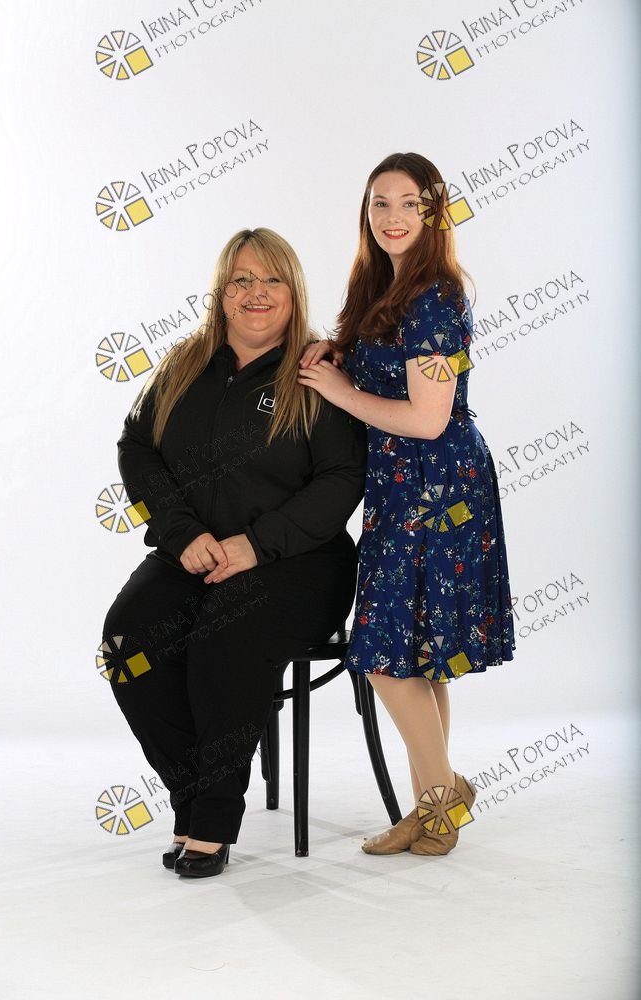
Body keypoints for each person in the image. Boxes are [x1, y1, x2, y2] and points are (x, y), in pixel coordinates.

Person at [102, 228, 366, 878]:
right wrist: (181, 533)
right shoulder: (184, 363)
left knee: (225, 636)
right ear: (221, 293)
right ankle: (191, 796)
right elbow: (137, 447)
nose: (256, 293)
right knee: (128, 642)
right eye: (241, 280)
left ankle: (212, 823)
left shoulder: (317, 371)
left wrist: (256, 544)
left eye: (271, 280)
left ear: (292, 291)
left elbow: (341, 479)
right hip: (193, 553)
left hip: (299, 562)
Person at [298, 153, 515, 857]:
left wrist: (339, 392)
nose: (392, 217)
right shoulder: (384, 287)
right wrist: (340, 354)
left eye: (408, 203)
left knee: (384, 655)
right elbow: (389, 374)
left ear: (433, 212)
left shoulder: (437, 298)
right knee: (414, 655)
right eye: (379, 203)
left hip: (439, 488)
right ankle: (434, 803)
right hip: (400, 487)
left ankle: (440, 801)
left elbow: (427, 417)